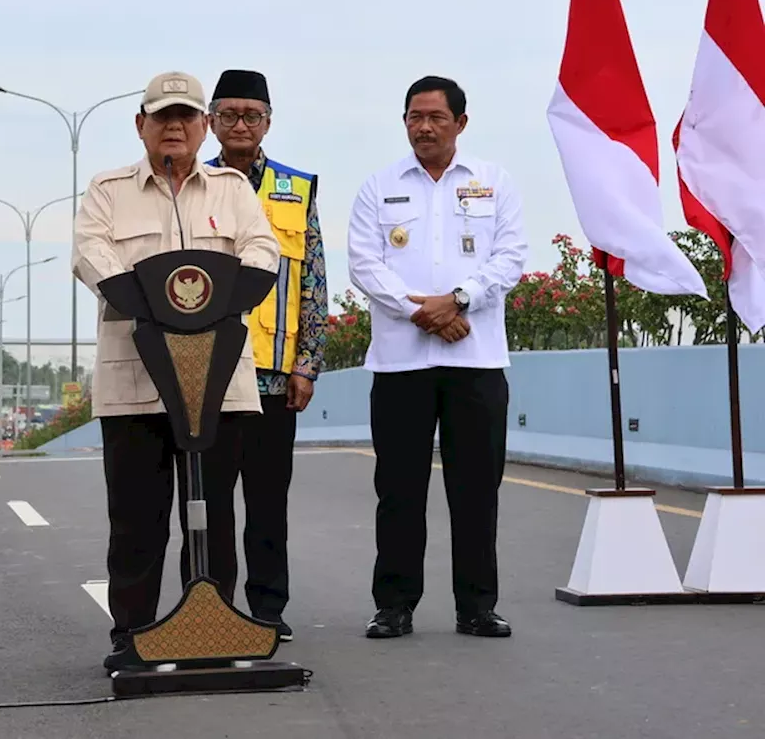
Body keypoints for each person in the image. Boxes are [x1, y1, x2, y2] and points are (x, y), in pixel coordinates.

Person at [71, 70, 280, 672]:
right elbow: (91, 253)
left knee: (215, 510)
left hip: (217, 381)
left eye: (186, 117)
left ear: (203, 125)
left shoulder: (233, 188)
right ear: (142, 125)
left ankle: (218, 625)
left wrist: (226, 296)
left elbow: (262, 251)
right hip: (135, 381)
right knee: (137, 518)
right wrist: (155, 301)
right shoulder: (108, 190)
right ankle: (131, 630)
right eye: (162, 117)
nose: (174, 128)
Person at [347, 75, 527, 640]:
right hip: (400, 363)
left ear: (460, 124)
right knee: (398, 490)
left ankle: (476, 606)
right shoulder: (379, 186)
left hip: (476, 360)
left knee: (476, 490)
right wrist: (420, 311)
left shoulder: (494, 183)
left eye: (436, 118)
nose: (424, 127)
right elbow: (364, 264)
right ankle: (394, 605)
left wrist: (459, 300)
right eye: (414, 117)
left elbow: (511, 257)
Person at [198, 68, 327, 642]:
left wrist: (308, 364)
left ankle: (268, 608)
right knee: (213, 498)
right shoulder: (192, 184)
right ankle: (215, 602)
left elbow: (315, 282)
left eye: (253, 115)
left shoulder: (296, 190)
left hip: (275, 377)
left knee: (269, 500)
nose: (241, 125)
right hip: (210, 375)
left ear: (269, 122)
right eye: (229, 115)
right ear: (210, 122)